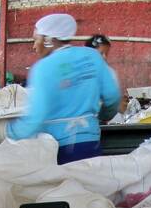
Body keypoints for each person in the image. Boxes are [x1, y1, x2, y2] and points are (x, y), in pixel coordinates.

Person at [8, 13, 121, 164]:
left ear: (49, 40)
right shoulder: (92, 56)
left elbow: (36, 117)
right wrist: (102, 116)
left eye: (36, 40)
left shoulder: (42, 68)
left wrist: (9, 132)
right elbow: (112, 95)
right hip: (91, 142)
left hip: (57, 149)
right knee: (90, 185)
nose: (34, 46)